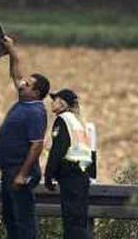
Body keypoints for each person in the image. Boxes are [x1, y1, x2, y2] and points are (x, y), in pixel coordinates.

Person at [0, 36, 50, 239]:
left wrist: (22, 174)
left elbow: (36, 146)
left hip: (20, 171)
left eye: (28, 84)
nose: (22, 83)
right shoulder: (25, 102)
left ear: (36, 93)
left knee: (23, 219)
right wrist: (11, 50)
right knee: (11, 217)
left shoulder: (35, 112)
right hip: (10, 169)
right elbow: (16, 73)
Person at [44, 89, 93, 239]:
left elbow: (58, 149)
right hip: (82, 176)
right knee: (79, 222)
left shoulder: (63, 120)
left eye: (55, 99)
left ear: (62, 102)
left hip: (70, 177)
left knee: (72, 225)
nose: (52, 102)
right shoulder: (78, 122)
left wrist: (49, 174)